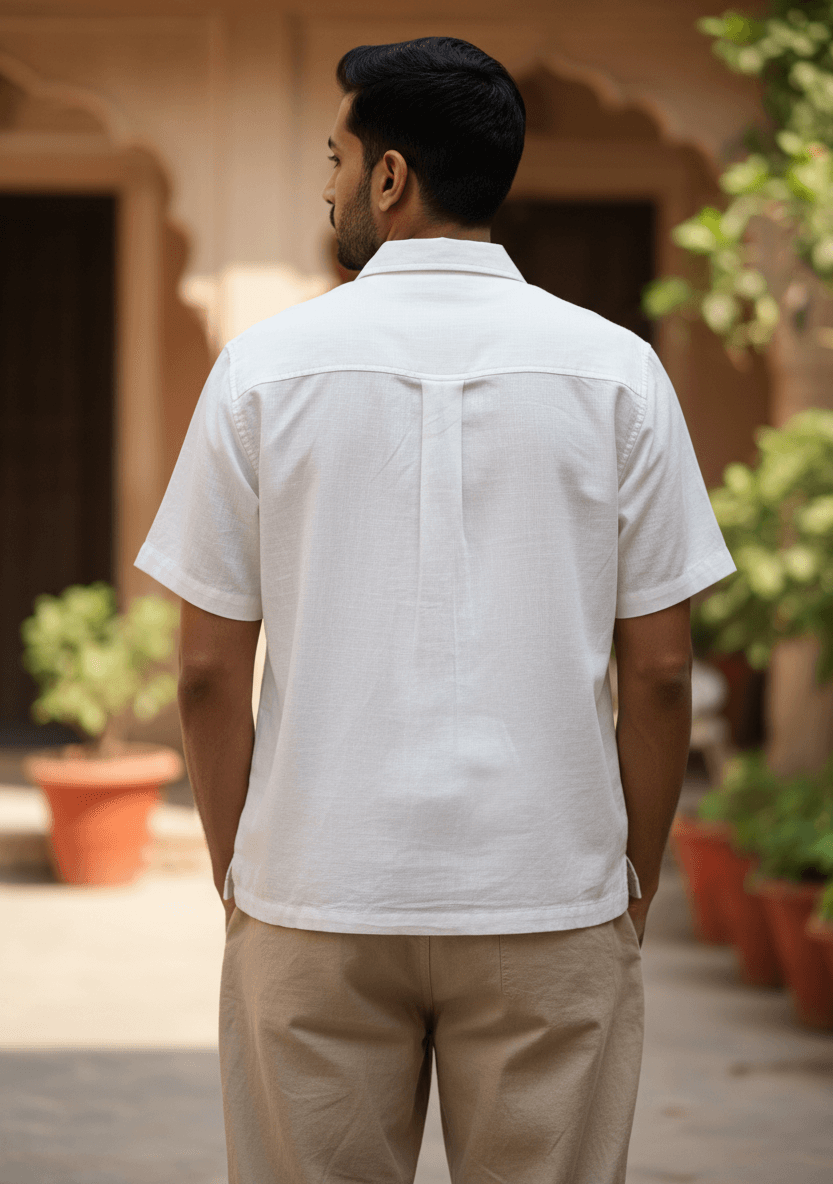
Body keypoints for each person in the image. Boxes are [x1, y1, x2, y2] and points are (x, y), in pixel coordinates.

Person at [134, 35, 735, 1184]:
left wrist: (247, 880)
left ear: (392, 177)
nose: (327, 185)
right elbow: (660, 674)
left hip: (316, 890)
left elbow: (208, 671)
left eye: (335, 157)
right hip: (547, 892)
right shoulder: (619, 372)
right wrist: (626, 893)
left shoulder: (262, 369)